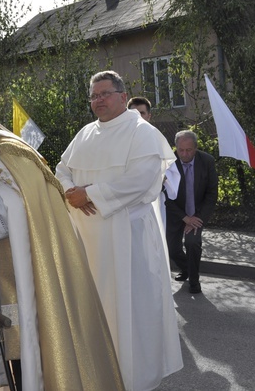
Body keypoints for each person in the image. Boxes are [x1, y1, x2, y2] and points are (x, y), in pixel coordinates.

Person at [0, 65, 124, 390]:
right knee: (20, 342)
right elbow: (17, 206)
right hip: (26, 267)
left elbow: (18, 210)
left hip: (32, 275)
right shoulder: (6, 150)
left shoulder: (7, 154)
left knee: (30, 346)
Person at [55, 70, 183, 391]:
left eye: (104, 93)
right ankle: (95, 375)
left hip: (129, 239)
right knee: (92, 310)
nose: (98, 100)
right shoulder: (85, 133)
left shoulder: (143, 132)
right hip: (87, 239)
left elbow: (141, 179)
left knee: (131, 311)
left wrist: (91, 194)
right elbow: (61, 170)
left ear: (123, 97)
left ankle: (134, 379)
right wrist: (71, 191)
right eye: (94, 95)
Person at [166, 130, 218, 294]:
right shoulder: (169, 163)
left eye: (188, 150)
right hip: (176, 213)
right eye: (181, 150)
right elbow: (165, 195)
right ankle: (187, 268)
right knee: (171, 248)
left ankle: (194, 282)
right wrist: (184, 217)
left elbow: (211, 194)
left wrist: (196, 218)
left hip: (197, 213)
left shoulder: (207, 161)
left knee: (192, 242)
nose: (184, 154)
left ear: (195, 148)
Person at [127, 96, 180, 229]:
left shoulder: (156, 138)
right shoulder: (119, 139)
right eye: (134, 113)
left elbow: (171, 174)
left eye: (142, 113)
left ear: (149, 116)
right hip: (125, 202)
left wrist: (160, 178)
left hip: (151, 202)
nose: (138, 116)